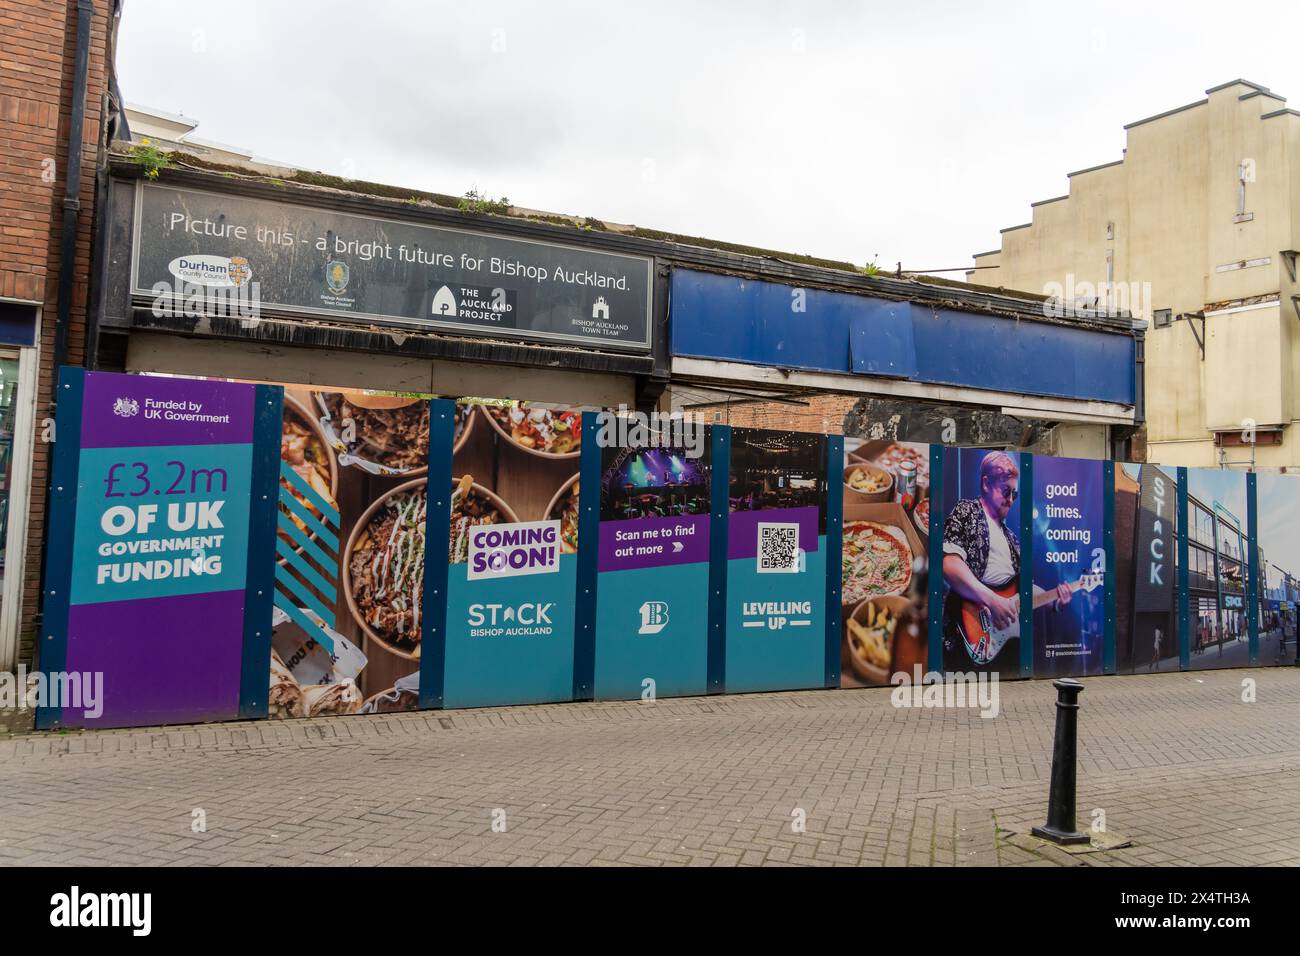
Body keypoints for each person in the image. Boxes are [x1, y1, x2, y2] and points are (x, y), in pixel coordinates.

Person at [941, 451, 1072, 668]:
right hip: (968, 624)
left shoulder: (1012, 539)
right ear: (986, 483)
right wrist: (992, 600)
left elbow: (1022, 590)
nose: (1010, 500)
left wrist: (1055, 601)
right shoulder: (967, 511)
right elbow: (949, 564)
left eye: (1015, 494)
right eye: (1005, 491)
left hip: (1001, 643)